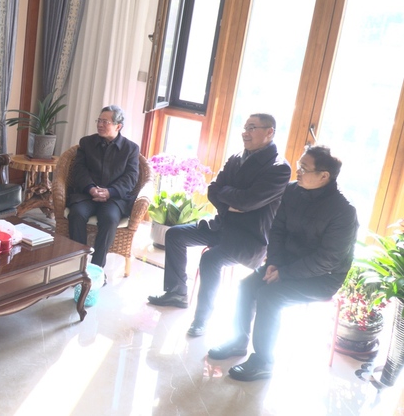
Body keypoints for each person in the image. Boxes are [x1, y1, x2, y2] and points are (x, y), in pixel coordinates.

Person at [209, 145, 357, 381]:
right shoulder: (292, 191)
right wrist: (274, 262)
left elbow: (328, 259)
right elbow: (276, 230)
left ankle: (263, 361)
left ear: (324, 176)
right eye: (299, 165)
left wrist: (285, 273)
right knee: (246, 286)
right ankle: (238, 341)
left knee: (270, 296)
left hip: (321, 277)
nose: (298, 171)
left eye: (304, 168)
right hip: (283, 264)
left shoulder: (343, 211)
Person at [148, 113, 291, 337]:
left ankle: (201, 319)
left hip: (249, 238)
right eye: (245, 127)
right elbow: (213, 190)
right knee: (175, 235)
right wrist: (233, 203)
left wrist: (231, 198)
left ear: (269, 132)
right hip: (221, 225)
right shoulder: (236, 157)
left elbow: (248, 201)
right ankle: (176, 292)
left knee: (210, 259)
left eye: (252, 128)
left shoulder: (278, 167)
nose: (245, 133)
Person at [66, 105, 139, 268]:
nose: (100, 125)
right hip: (87, 194)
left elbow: (131, 177)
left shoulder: (130, 149)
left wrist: (110, 192)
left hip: (114, 198)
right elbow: (79, 170)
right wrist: (91, 188)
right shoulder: (87, 143)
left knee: (110, 219)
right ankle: (79, 264)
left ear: (118, 126)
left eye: (105, 122)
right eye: (99, 121)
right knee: (77, 214)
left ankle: (96, 268)